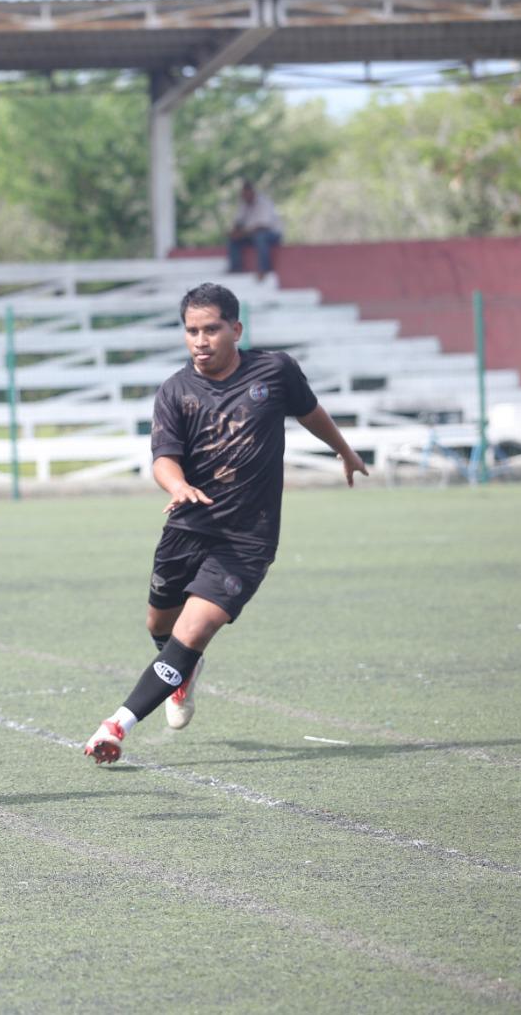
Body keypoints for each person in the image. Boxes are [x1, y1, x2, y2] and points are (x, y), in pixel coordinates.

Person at [82, 282, 367, 764]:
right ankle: (184, 672)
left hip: (246, 539)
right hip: (188, 526)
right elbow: (163, 460)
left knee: (192, 634)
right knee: (160, 625)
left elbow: (309, 412)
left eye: (211, 329)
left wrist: (343, 449)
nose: (200, 340)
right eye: (191, 330)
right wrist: (177, 487)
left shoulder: (275, 372)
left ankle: (115, 727)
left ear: (236, 328)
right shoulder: (175, 391)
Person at [227, 180, 283, 280]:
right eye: (243, 195)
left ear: (252, 192)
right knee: (234, 240)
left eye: (246, 194)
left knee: (260, 237)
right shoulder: (243, 204)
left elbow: (263, 226)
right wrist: (234, 232)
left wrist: (242, 233)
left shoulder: (264, 202)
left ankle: (264, 269)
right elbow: (238, 221)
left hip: (272, 234)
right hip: (251, 234)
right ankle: (236, 268)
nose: (245, 197)